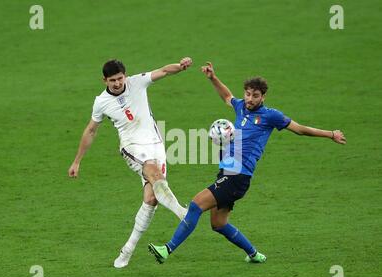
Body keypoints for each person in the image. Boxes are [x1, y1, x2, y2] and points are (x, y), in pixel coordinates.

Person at [148, 62, 346, 264]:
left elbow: (300, 129)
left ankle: (167, 249)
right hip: (228, 172)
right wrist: (212, 78)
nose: (250, 99)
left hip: (238, 177)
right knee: (218, 224)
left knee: (195, 205)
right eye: (248, 94)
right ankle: (254, 255)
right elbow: (227, 97)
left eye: (255, 95)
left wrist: (330, 134)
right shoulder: (241, 106)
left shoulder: (271, 116)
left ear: (263, 97)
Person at [68, 57, 193, 268]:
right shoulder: (101, 102)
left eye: (119, 78)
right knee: (154, 175)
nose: (117, 83)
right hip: (132, 146)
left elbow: (163, 70)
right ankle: (183, 213)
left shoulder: (137, 82)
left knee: (152, 198)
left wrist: (180, 67)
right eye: (112, 80)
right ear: (104, 80)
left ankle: (127, 250)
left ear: (125, 75)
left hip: (156, 143)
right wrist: (77, 161)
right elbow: (91, 130)